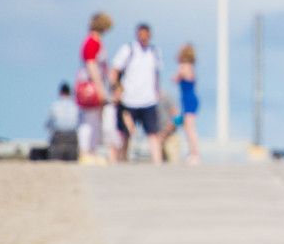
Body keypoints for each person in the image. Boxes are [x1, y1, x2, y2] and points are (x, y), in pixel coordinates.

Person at [112, 22, 165, 165]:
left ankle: (157, 163)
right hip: (129, 99)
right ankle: (121, 160)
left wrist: (157, 91)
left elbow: (157, 74)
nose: (143, 37)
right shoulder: (128, 50)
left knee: (153, 133)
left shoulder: (155, 52)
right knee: (125, 133)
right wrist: (117, 90)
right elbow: (115, 70)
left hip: (149, 100)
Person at [76, 11, 113, 163]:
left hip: (93, 84)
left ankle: (92, 150)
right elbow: (92, 66)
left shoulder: (94, 42)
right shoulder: (92, 42)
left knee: (95, 121)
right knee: (89, 121)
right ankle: (86, 152)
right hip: (90, 86)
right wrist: (100, 89)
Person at [171, 43, 202, 164]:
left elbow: (176, 78)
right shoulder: (190, 66)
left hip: (188, 99)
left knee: (190, 128)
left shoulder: (184, 66)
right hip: (188, 99)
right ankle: (192, 153)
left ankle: (195, 154)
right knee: (187, 127)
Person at [44, 83, 80, 162]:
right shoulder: (76, 105)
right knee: (72, 162)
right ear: (70, 93)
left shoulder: (54, 105)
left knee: (55, 163)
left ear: (60, 92)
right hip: (72, 136)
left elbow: (48, 124)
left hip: (58, 136)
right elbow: (79, 122)